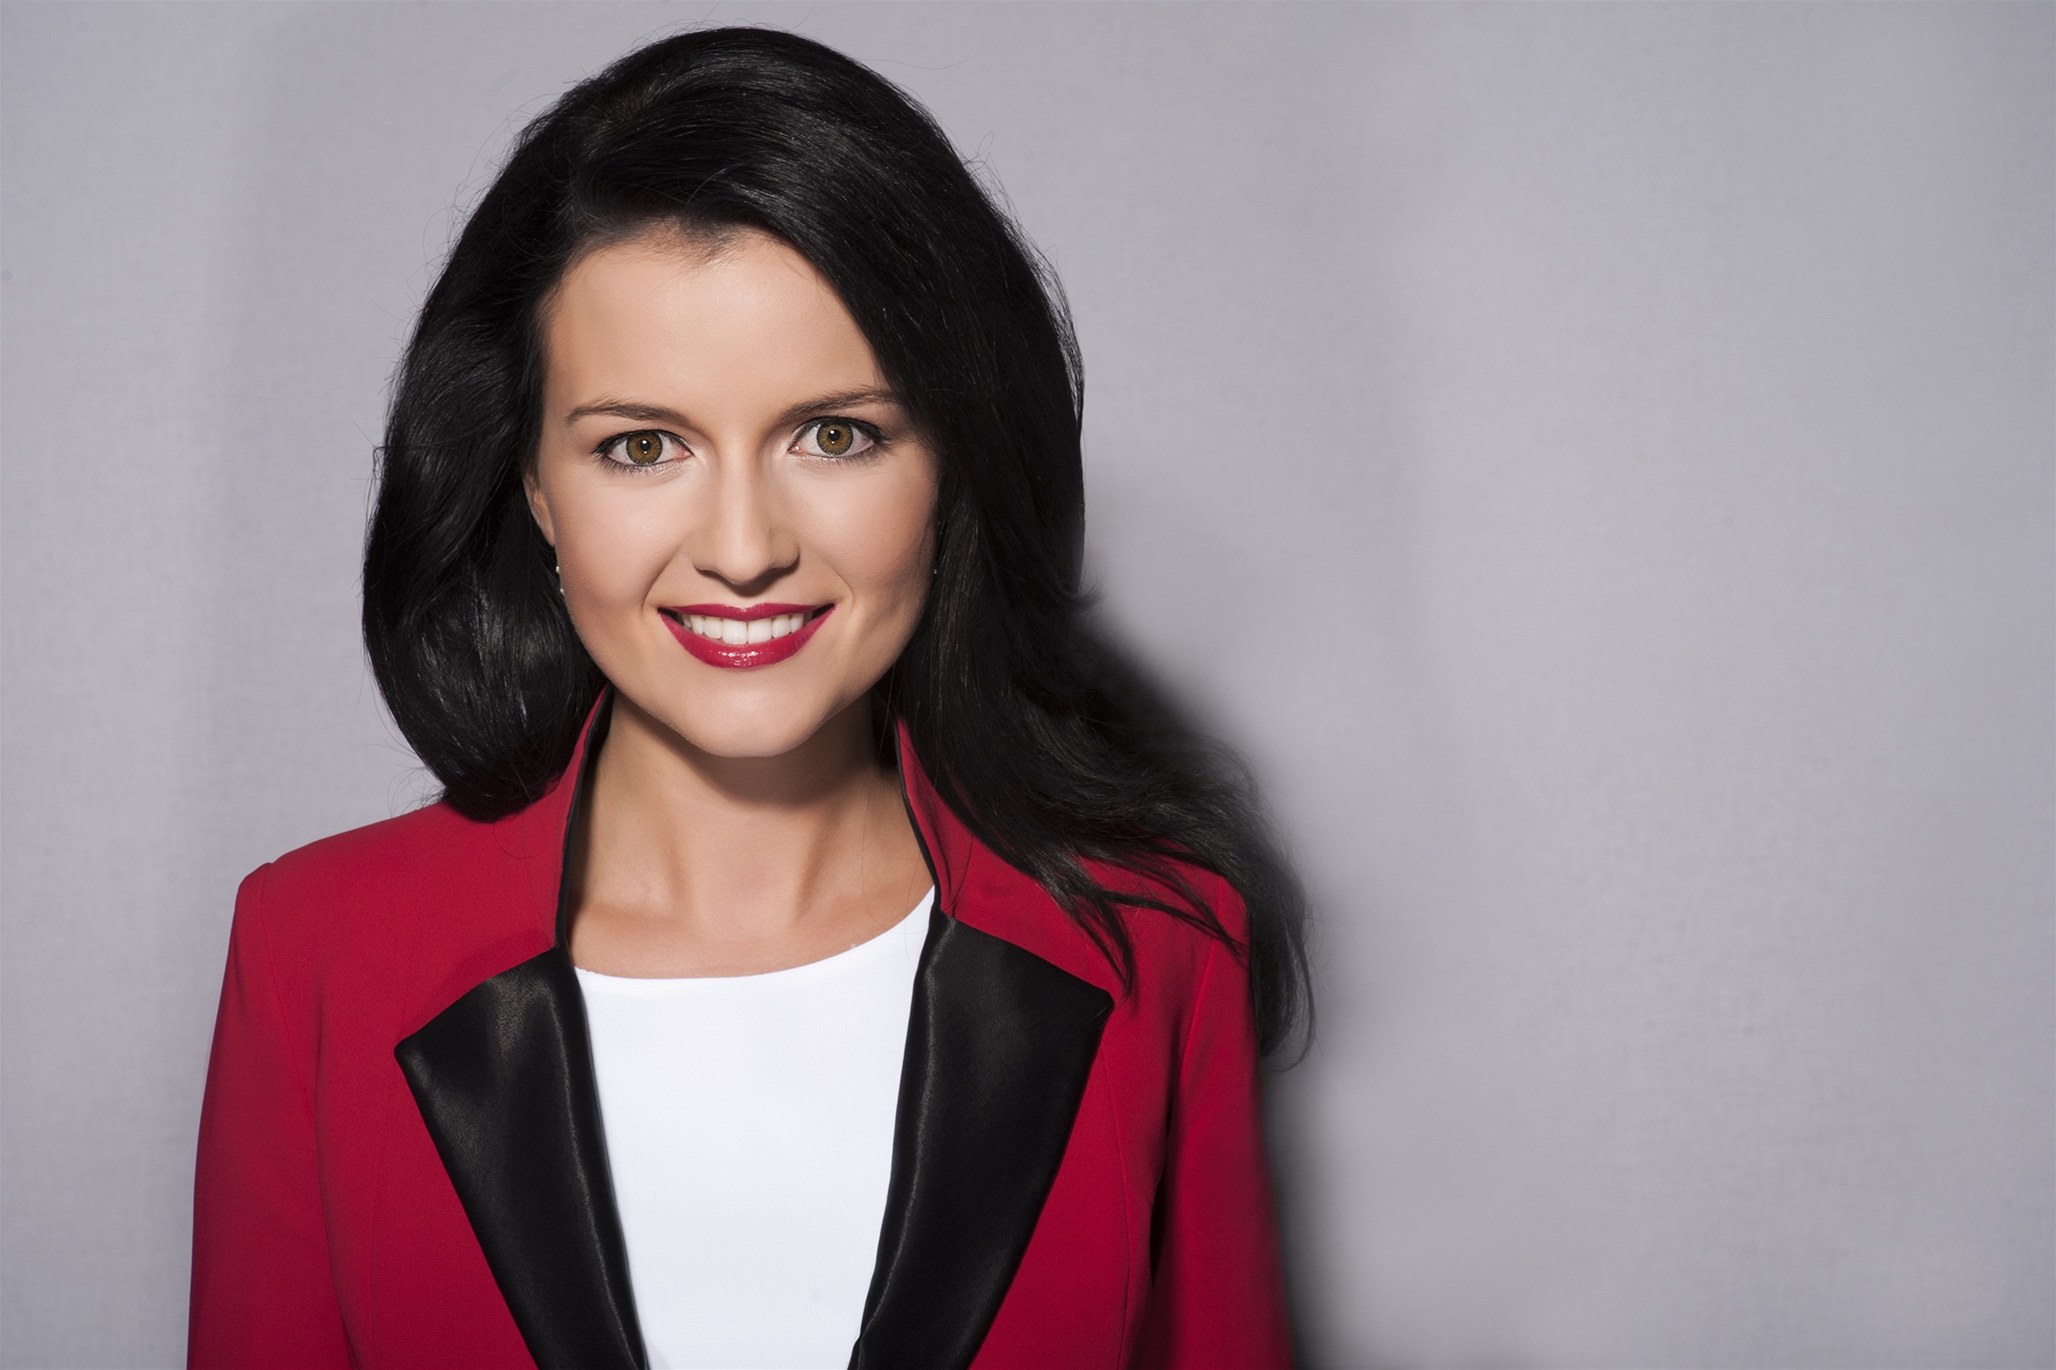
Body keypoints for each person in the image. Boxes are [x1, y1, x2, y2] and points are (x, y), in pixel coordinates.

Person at [188, 25, 1310, 1370]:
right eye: (640, 446)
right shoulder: (316, 953)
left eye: (835, 434)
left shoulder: (1158, 942)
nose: (741, 548)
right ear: (534, 485)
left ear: (950, 463)